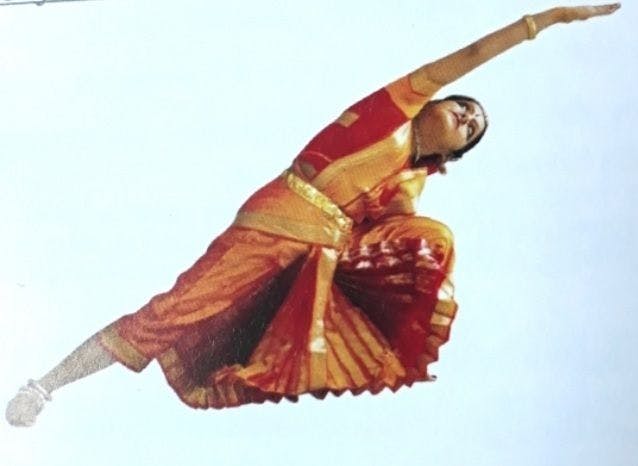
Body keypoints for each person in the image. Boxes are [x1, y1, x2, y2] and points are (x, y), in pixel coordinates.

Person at [6, 3, 620, 427]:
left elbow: (389, 243)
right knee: (172, 312)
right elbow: (469, 54)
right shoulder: (392, 111)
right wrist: (544, 20)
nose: (467, 117)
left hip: (314, 260)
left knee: (427, 245)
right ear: (435, 102)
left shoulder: (408, 191)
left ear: (456, 153)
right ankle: (47, 384)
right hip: (279, 219)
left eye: (473, 128)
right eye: (463, 107)